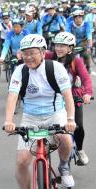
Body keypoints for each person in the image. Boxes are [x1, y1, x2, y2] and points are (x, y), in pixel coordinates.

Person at [4, 34, 76, 189]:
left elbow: (67, 95)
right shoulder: (20, 71)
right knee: (22, 161)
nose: (28, 57)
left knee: (66, 138)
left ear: (43, 53)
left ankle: (64, 166)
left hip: (55, 113)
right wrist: (8, 121)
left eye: (32, 53)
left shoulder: (55, 68)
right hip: (30, 117)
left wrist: (70, 119)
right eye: (25, 53)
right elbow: (12, 96)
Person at [46, 32, 93, 165]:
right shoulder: (49, 57)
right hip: (52, 97)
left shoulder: (76, 61)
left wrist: (87, 93)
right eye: (57, 45)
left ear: (70, 48)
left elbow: (85, 77)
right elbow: (34, 57)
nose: (59, 48)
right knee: (46, 125)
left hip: (72, 97)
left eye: (63, 46)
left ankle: (79, 149)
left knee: (78, 126)